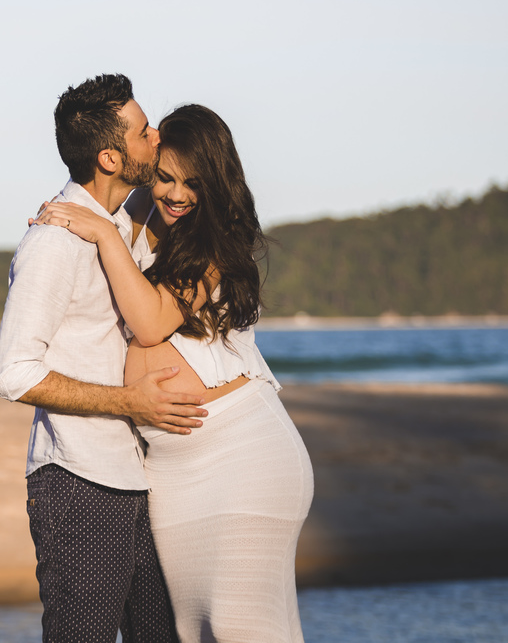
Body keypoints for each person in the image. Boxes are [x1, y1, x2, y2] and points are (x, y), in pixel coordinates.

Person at [34, 104, 314, 643]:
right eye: (165, 177)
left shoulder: (213, 242)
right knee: (198, 632)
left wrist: (104, 236)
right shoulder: (144, 216)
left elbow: (151, 324)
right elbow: (106, 186)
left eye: (194, 183)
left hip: (240, 457)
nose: (177, 194)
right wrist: (66, 220)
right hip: (170, 472)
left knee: (240, 629)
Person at [0, 74, 210, 643]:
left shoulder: (121, 226)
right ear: (110, 158)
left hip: (141, 478)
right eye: (144, 132)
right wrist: (129, 402)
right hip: (79, 482)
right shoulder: (54, 240)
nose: (157, 136)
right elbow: (13, 374)